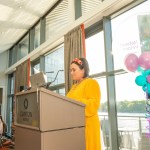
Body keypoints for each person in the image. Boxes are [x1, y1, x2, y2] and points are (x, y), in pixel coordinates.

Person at [66, 57, 101, 150]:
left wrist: (75, 101)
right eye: (70, 70)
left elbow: (93, 104)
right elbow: (65, 102)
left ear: (83, 70)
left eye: (74, 70)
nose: (71, 73)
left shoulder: (91, 83)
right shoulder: (74, 86)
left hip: (88, 127)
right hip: (76, 126)